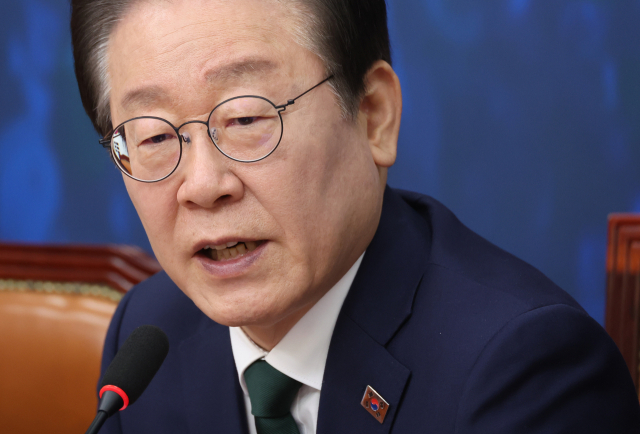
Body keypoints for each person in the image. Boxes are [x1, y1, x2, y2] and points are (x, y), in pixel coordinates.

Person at [71, 0, 640, 432]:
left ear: (374, 116)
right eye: (152, 136)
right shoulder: (149, 335)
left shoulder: (524, 371)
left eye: (245, 119)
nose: (202, 186)